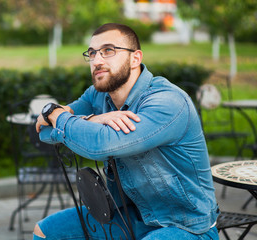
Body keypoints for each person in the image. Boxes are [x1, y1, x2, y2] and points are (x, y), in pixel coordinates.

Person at [34, 23, 219, 240]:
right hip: (130, 216)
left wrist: (55, 115)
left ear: (135, 58)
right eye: (92, 53)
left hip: (186, 225)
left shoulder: (167, 102)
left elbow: (100, 144)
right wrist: (94, 118)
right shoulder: (97, 95)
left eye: (108, 51)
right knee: (46, 231)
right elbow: (44, 132)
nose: (97, 61)